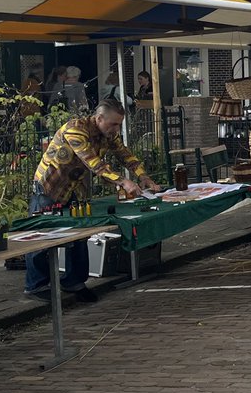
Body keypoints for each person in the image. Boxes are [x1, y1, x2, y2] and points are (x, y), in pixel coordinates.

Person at [24, 99, 161, 303]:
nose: (116, 129)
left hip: (74, 189)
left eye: (119, 124)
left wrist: (142, 175)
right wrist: (124, 182)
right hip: (49, 187)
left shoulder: (108, 134)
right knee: (42, 237)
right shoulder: (75, 130)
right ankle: (36, 285)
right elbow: (94, 164)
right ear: (99, 118)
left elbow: (124, 154)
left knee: (80, 235)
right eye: (113, 124)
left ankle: (74, 282)